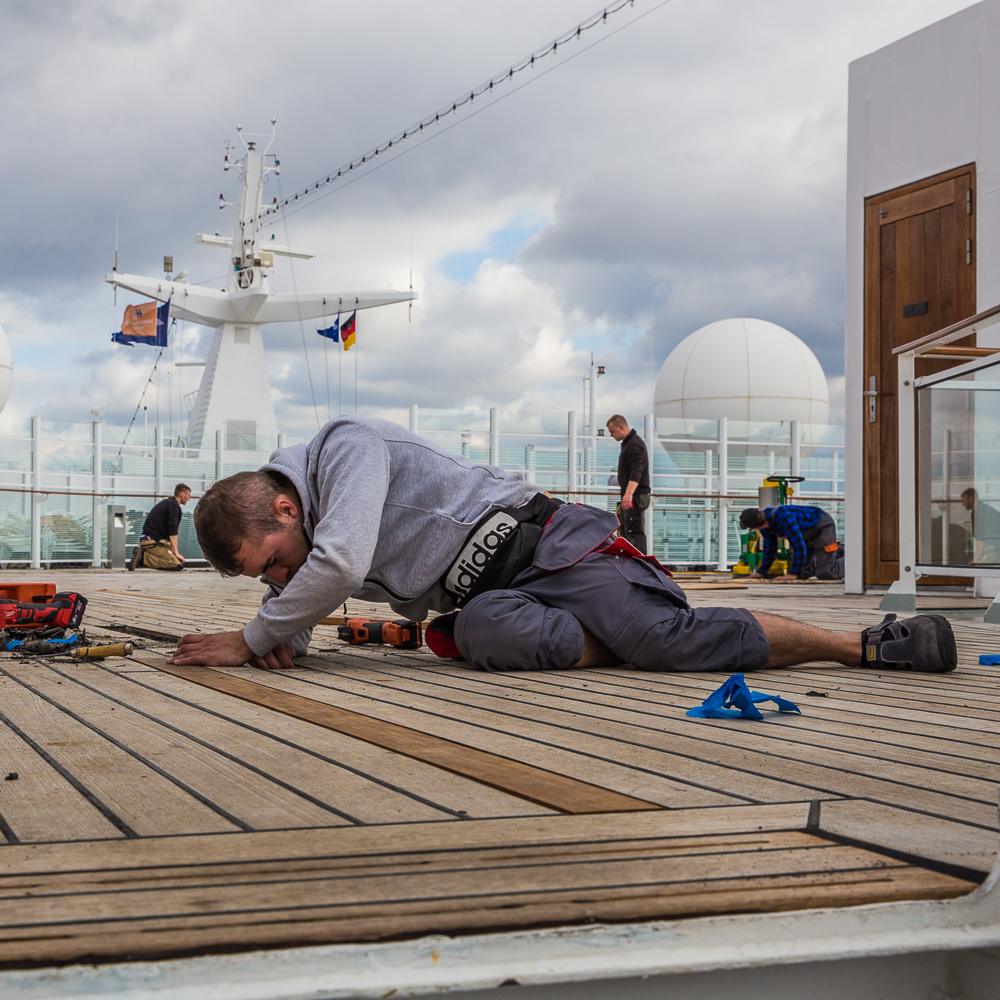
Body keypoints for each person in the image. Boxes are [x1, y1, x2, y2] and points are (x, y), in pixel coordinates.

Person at [166, 417, 955, 676]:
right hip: (486, 595)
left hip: (550, 545)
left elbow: (331, 564)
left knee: (665, 638)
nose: (276, 578)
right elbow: (299, 591)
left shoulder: (347, 447)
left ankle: (863, 645)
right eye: (260, 578)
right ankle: (627, 641)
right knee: (474, 634)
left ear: (281, 505)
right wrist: (282, 642)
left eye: (269, 560)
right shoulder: (293, 530)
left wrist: (253, 638)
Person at [739, 505, 843, 583]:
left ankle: (854, 562)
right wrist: (761, 573)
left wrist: (793, 574)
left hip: (822, 526)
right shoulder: (765, 526)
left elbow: (799, 545)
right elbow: (770, 549)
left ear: (755, 527)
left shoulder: (783, 516)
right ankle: (833, 555)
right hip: (805, 534)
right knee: (803, 573)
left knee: (825, 573)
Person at [606, 415, 650, 551]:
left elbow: (637, 470)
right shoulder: (629, 443)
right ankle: (632, 565)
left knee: (634, 533)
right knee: (627, 533)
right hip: (633, 495)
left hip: (635, 496)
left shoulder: (634, 445)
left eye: (612, 431)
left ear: (621, 427)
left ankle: (640, 566)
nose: (611, 435)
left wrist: (629, 494)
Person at [129, 483, 192, 571]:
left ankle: (144, 555)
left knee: (176, 562)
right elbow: (172, 530)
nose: (189, 498)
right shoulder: (173, 506)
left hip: (151, 540)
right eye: (188, 495)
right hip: (152, 542)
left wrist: (172, 551)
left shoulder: (168, 503)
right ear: (182, 494)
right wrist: (176, 552)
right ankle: (142, 558)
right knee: (176, 565)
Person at [960, 488, 1000, 564]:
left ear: (971, 498)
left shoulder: (979, 513)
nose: (963, 503)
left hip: (992, 552)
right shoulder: (984, 509)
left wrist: (975, 561)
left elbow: (980, 541)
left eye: (964, 500)